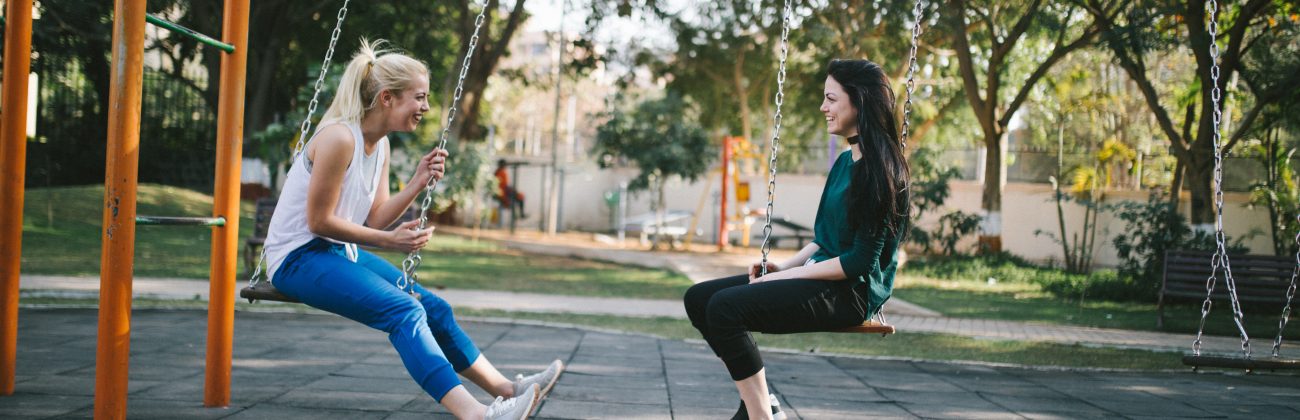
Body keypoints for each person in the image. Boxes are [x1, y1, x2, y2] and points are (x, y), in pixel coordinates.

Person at [262, 39, 563, 420]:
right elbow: (318, 222)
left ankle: (507, 389)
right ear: (387, 98)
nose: (425, 107)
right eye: (419, 98)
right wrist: (389, 242)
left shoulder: (380, 146)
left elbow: (375, 217)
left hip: (335, 253)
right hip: (296, 259)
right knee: (404, 310)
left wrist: (418, 182)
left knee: (433, 307)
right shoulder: (339, 138)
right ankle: (476, 414)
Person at [683, 59, 910, 420]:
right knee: (699, 298)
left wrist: (790, 275)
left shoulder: (880, 171)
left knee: (725, 308)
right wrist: (783, 266)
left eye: (831, 99)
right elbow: (824, 238)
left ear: (860, 101)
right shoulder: (845, 162)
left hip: (852, 291)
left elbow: (858, 262)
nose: (823, 107)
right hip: (823, 276)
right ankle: (764, 404)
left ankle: (760, 416)